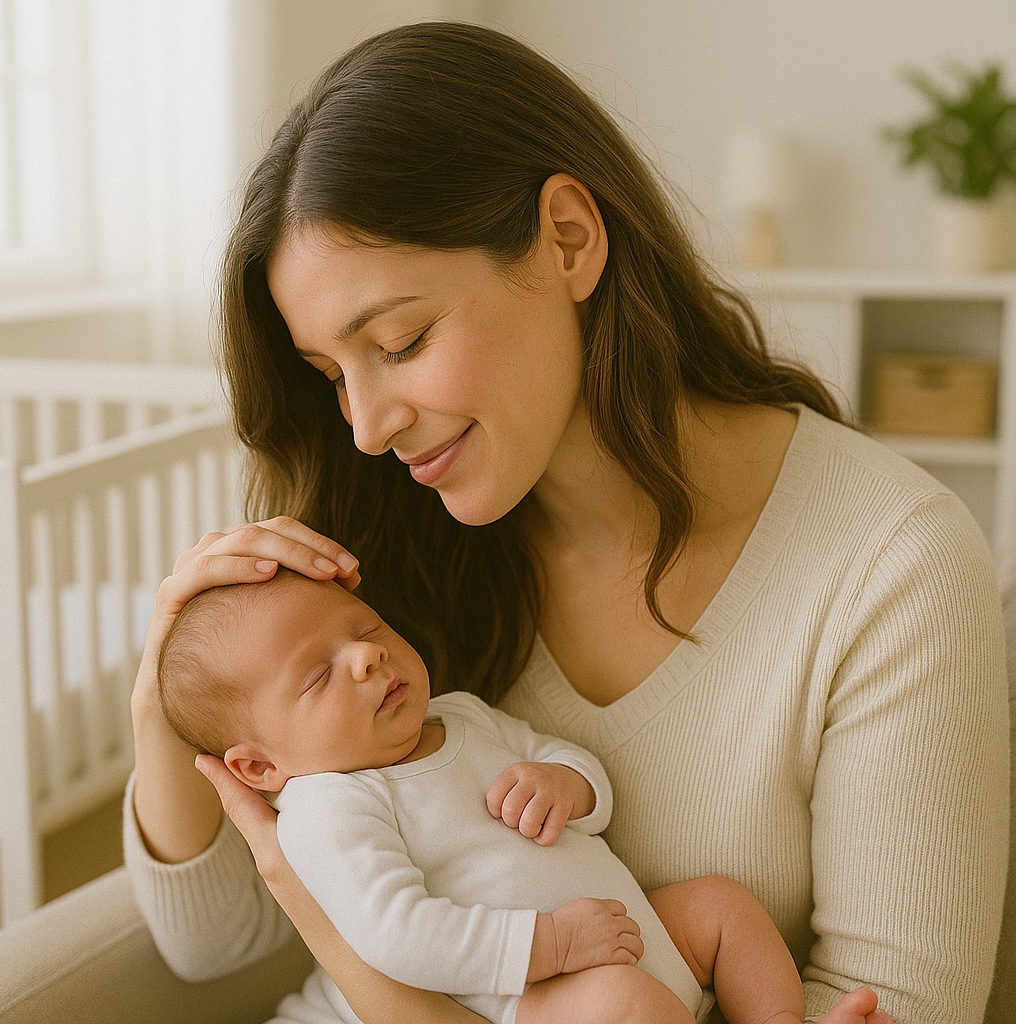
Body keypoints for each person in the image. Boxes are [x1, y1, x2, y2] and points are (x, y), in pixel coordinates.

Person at [124, 20, 1009, 1024]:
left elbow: (900, 1002)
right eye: (331, 375)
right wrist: (161, 686)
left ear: (569, 239)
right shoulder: (377, 565)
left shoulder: (891, 565)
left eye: (401, 341)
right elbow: (210, 942)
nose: (365, 429)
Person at [156, 568, 887, 1024]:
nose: (367, 656)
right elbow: (397, 935)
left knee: (720, 907)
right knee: (625, 1005)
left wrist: (567, 784)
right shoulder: (327, 806)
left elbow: (564, 760)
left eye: (366, 628)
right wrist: (551, 944)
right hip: (527, 995)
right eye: (319, 675)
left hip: (623, 935)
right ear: (258, 767)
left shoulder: (462, 716)